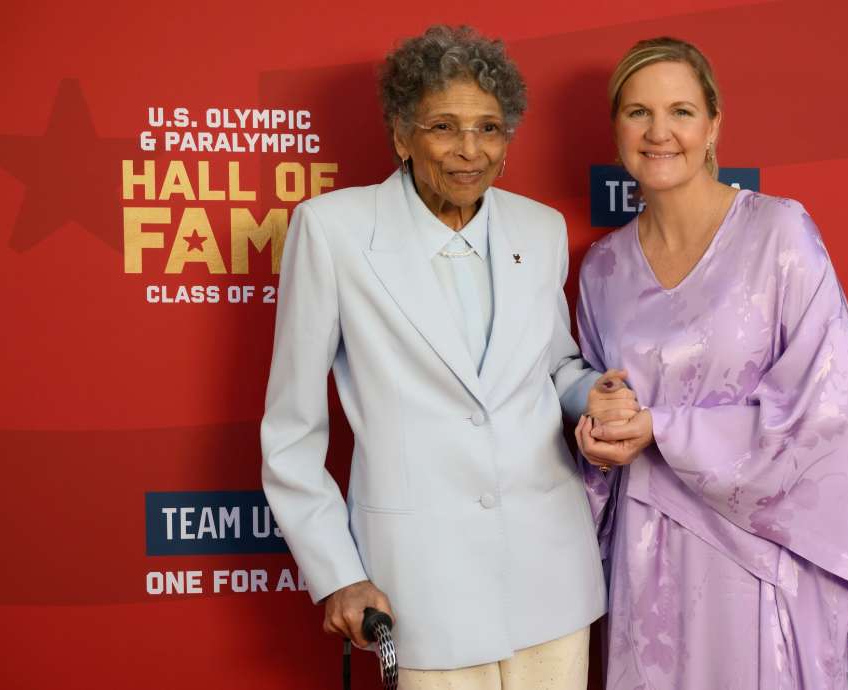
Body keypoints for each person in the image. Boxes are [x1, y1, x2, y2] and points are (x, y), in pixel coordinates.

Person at [261, 25, 637, 690]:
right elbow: (290, 431)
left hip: (551, 578)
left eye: (489, 129)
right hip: (418, 586)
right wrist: (338, 575)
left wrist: (593, 398)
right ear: (402, 136)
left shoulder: (539, 229)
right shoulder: (332, 232)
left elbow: (554, 367)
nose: (470, 150)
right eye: (443, 126)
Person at [573, 37, 848, 689]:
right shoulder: (601, 268)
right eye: (637, 112)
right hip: (648, 562)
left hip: (763, 560)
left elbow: (834, 407)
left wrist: (664, 429)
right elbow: (596, 396)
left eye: (681, 112)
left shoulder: (780, 233)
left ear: (714, 124)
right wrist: (594, 434)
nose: (659, 132)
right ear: (615, 130)